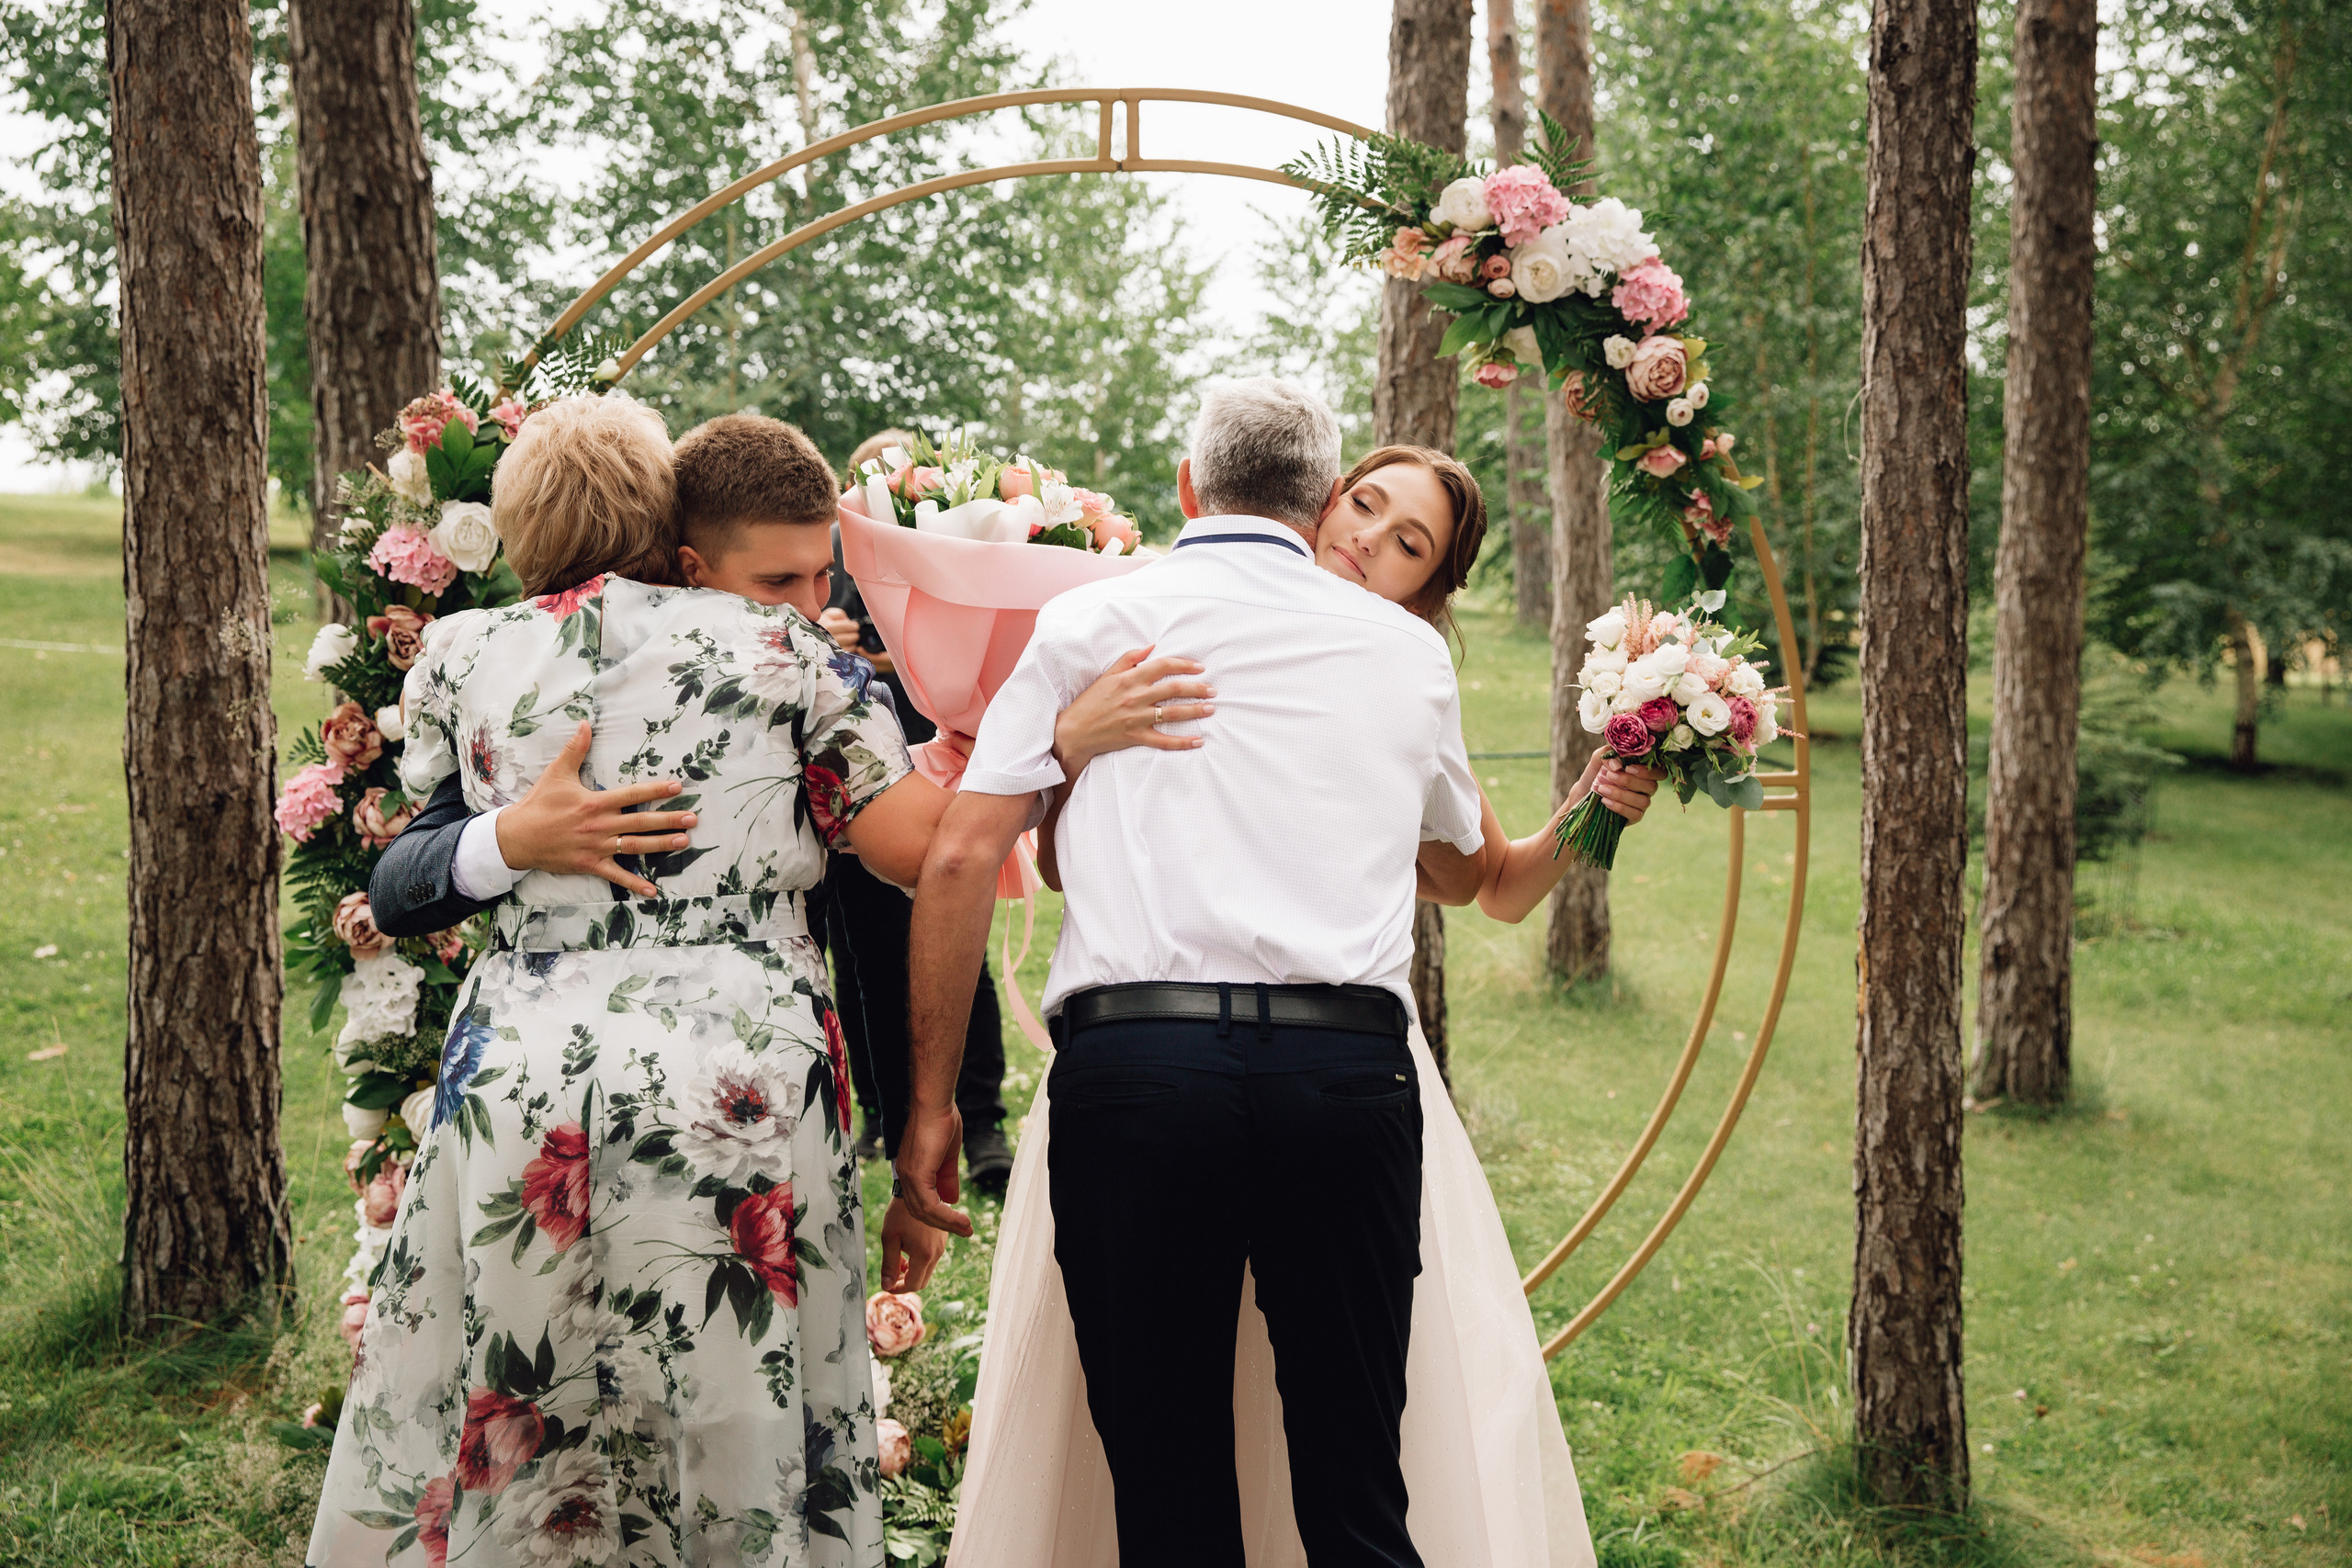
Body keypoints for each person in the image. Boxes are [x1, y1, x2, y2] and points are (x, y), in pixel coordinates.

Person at [896, 409, 1662, 1568]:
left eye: (1409, 540)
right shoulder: (1404, 658)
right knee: (1357, 1495)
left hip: (1143, 1081)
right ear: (1322, 499)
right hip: (1339, 1087)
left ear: (1187, 481)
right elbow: (1475, 882)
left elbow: (964, 857)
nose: (1370, 540)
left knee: (1168, 1498)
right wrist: (1065, 747)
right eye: (1368, 507)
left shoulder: (1094, 617)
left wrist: (932, 1104)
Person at [311, 397, 951, 1567]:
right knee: (730, 1400)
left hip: (525, 1085)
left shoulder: (459, 652)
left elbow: (400, 883)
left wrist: (505, 840)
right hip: (741, 1084)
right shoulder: (788, 649)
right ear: (662, 519)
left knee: (524, 1392)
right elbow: (923, 852)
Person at [813, 429, 1014, 1190]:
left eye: (894, 473)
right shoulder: (830, 548)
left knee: (957, 930)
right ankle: (877, 1110)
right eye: (867, 475)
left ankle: (984, 1118)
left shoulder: (948, 541)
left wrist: (869, 657)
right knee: (854, 945)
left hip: (931, 754)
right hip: (839, 769)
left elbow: (966, 653)